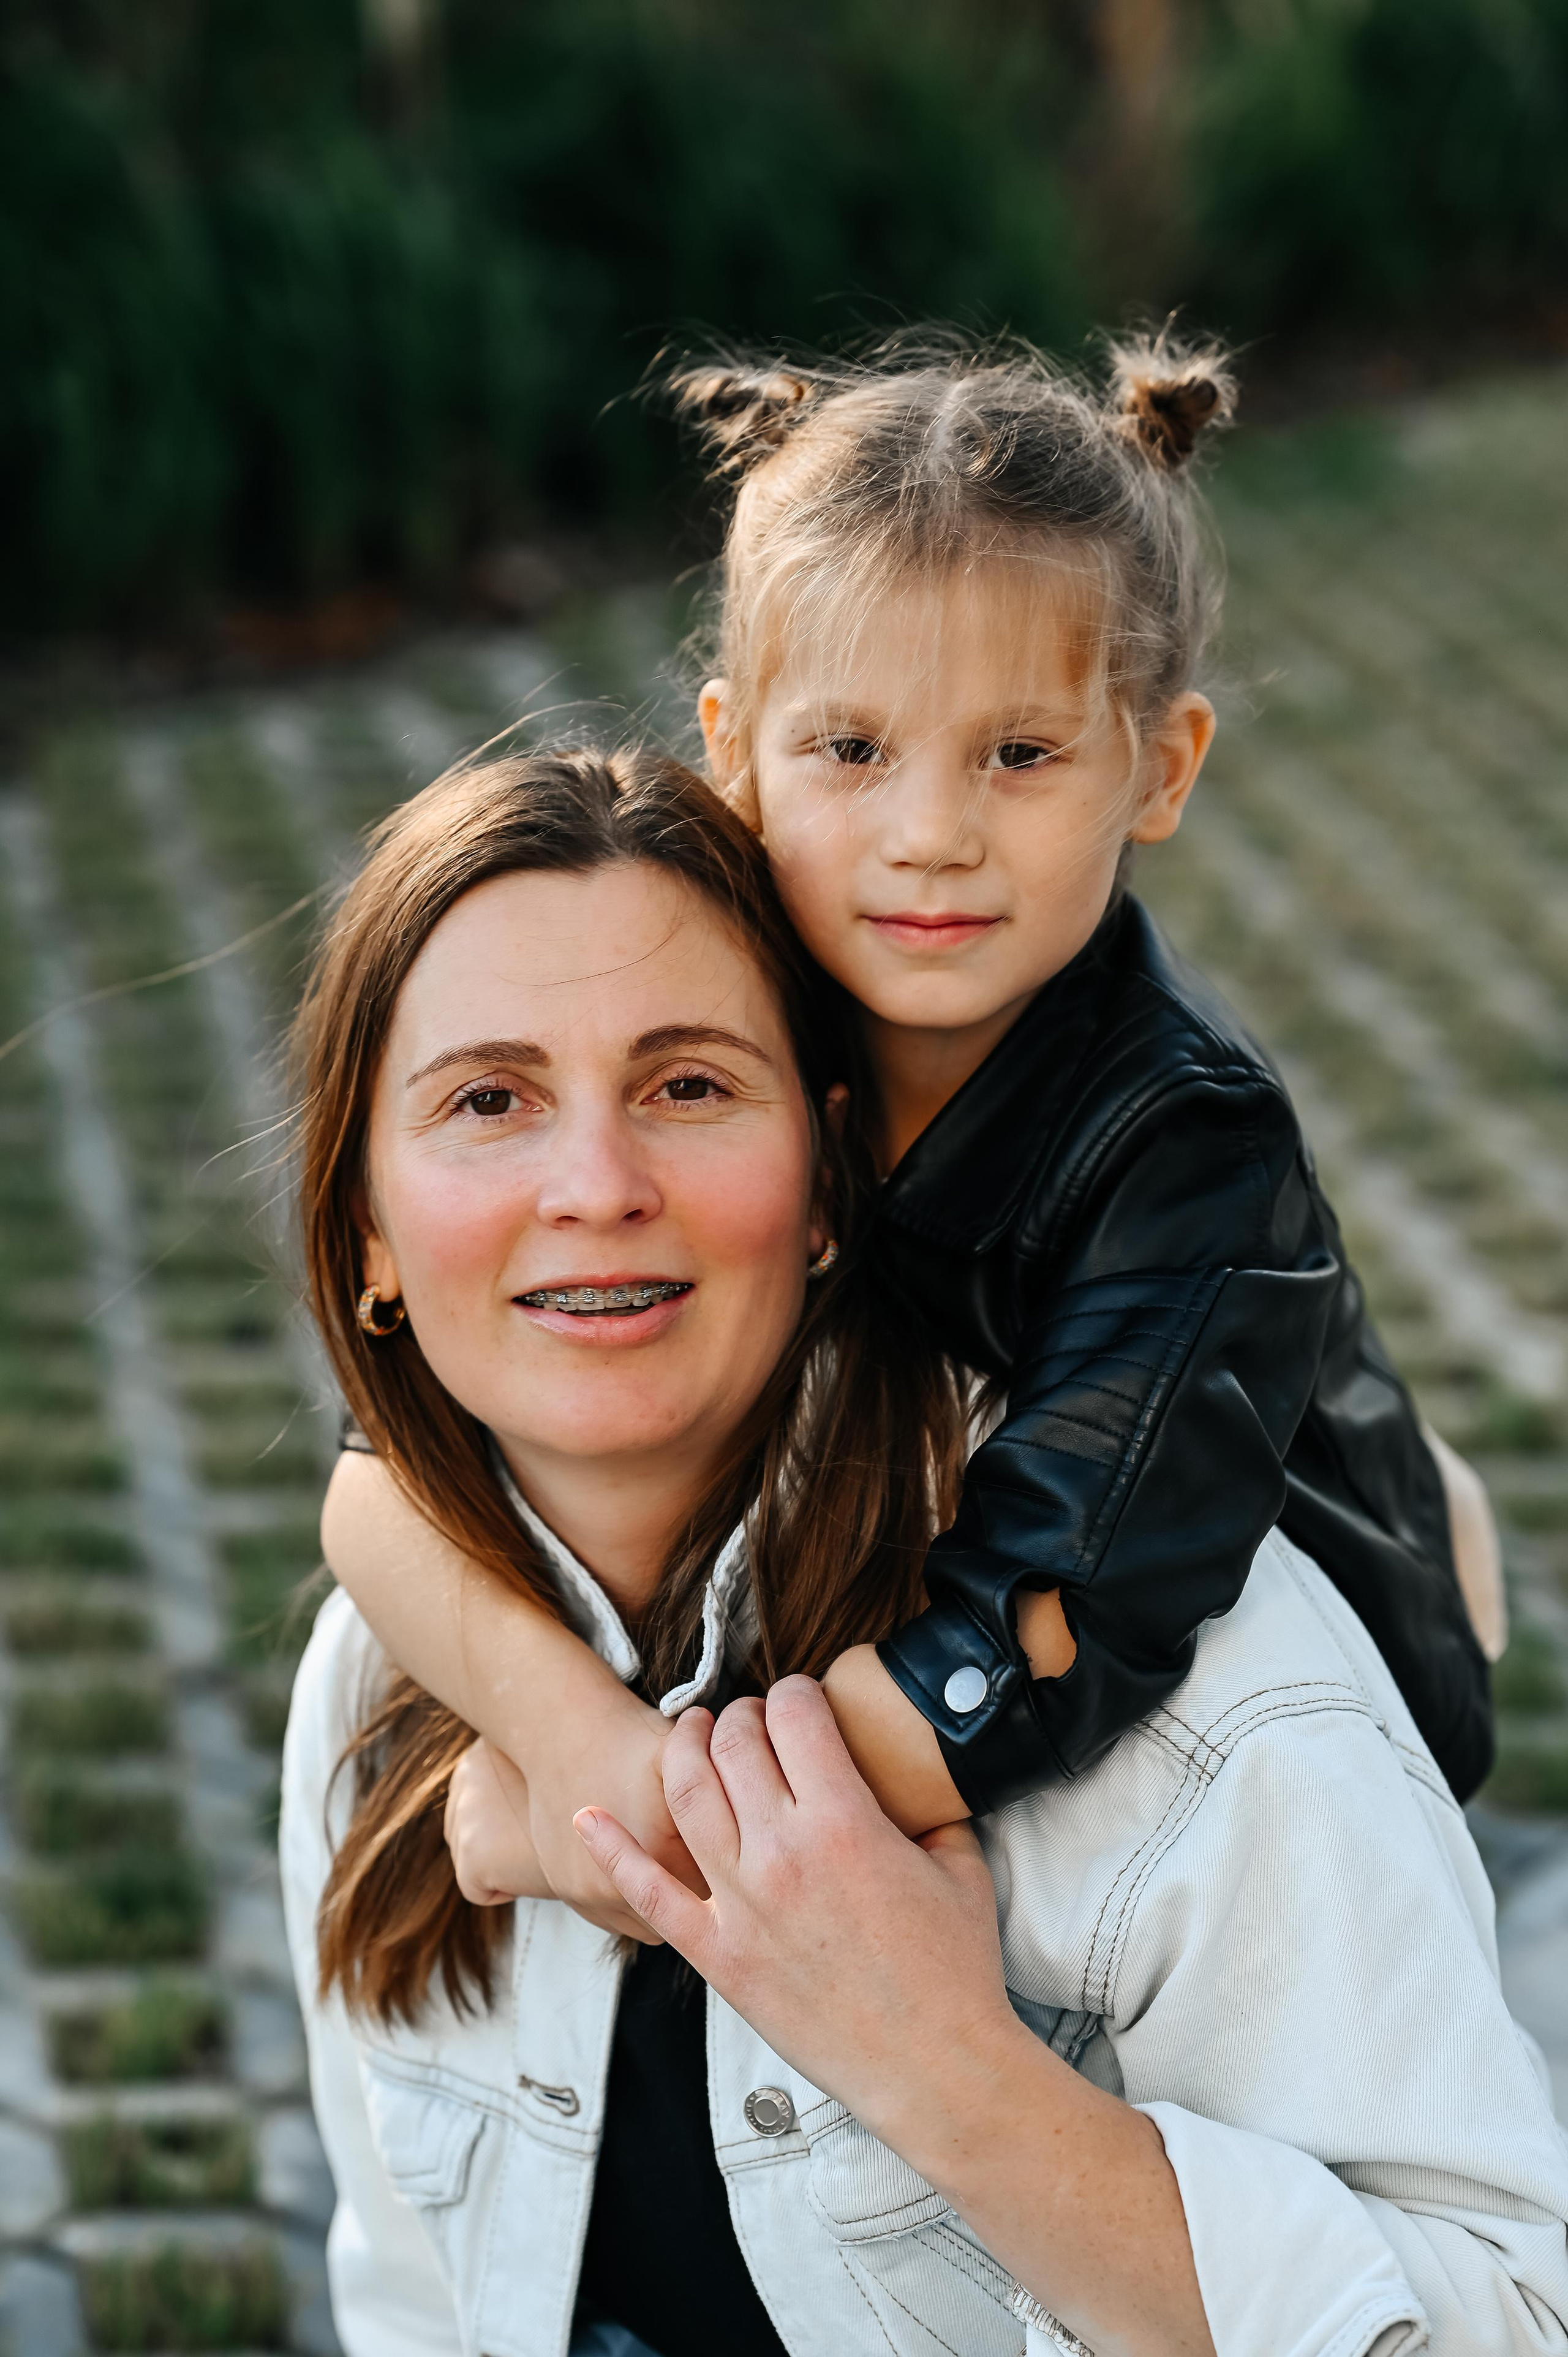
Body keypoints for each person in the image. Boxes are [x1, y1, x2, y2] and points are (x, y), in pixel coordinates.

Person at [279, 747, 1568, 2357]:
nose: (597, 1187)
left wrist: (947, 2074)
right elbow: (412, 2295)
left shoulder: (1184, 1698)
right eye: (490, 1100)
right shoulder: (379, 1680)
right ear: (368, 1230)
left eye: (690, 1087)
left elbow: (1509, 2324)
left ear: (828, 1185)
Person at [318, 331, 1498, 1942]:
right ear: (734, 750)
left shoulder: (1186, 1152)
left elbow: (1037, 1636)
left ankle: (1445, 1531)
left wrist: (618, 1823)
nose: (930, 835)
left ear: (1159, 769)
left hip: (1282, 1687)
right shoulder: (739, 1004)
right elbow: (380, 1483)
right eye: (853, 750)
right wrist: (574, 1737)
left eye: (1020, 755)